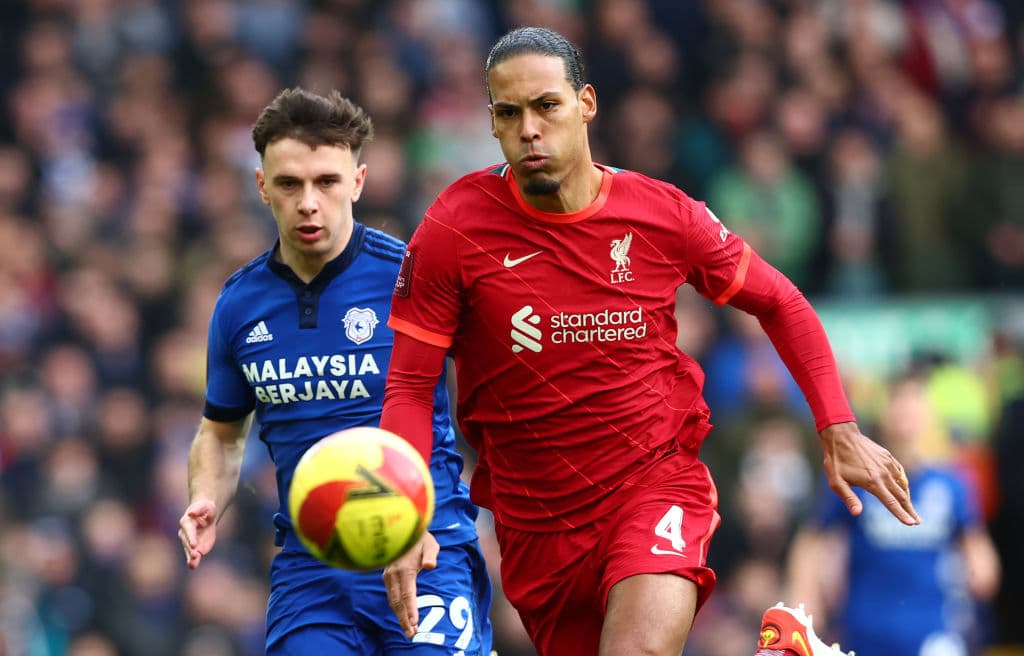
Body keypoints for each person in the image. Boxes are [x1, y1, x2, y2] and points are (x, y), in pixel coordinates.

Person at [378, 26, 919, 656]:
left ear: (586, 104)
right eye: (508, 113)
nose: (529, 128)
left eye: (546, 106)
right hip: (534, 525)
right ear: (492, 123)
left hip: (653, 485)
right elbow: (411, 386)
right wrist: (404, 512)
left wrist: (837, 425)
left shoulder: (662, 213)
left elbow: (781, 301)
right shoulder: (453, 228)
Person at [176, 87, 493, 655]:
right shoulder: (239, 304)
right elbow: (221, 432)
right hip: (313, 567)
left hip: (426, 548)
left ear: (358, 182)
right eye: (290, 184)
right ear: (261, 187)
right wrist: (206, 496)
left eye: (326, 181)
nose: (308, 202)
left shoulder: (411, 277)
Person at [787, 373, 1000, 656]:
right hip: (866, 630)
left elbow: (976, 546)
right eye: (899, 405)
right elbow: (812, 538)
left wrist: (980, 567)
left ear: (929, 416)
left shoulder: (951, 484)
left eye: (914, 406)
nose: (906, 415)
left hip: (933, 630)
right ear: (884, 413)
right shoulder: (857, 479)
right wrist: (805, 596)